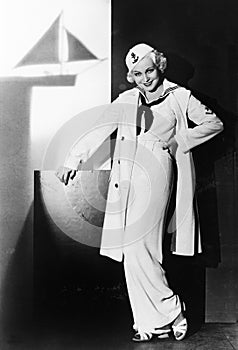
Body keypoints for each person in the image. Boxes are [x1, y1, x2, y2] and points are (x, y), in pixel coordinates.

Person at [56, 43, 224, 342]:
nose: (146, 78)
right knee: (133, 249)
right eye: (138, 73)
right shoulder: (126, 99)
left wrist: (179, 142)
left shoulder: (179, 96)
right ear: (131, 76)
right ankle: (149, 323)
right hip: (127, 174)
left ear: (160, 66)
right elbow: (98, 129)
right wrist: (73, 160)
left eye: (149, 70)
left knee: (138, 245)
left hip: (158, 170)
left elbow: (214, 123)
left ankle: (172, 309)